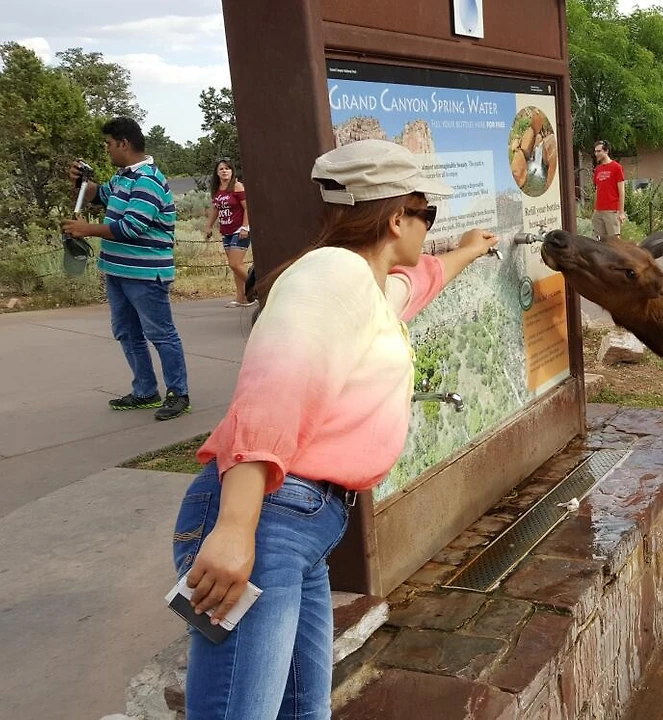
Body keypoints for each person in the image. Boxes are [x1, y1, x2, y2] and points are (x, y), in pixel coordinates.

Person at [174, 139, 497, 718]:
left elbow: (418, 283)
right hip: (267, 517)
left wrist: (470, 250)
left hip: (300, 525)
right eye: (428, 215)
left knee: (305, 710)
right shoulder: (333, 275)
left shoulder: (362, 285)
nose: (429, 229)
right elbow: (271, 394)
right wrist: (235, 529)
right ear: (397, 218)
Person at [61, 117, 191, 421]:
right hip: (119, 271)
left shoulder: (148, 180)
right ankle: (145, 391)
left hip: (145, 275)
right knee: (127, 332)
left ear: (124, 143)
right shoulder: (124, 177)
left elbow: (131, 227)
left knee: (161, 334)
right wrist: (80, 183)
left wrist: (87, 229)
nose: (107, 150)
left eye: (109, 144)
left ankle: (179, 394)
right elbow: (99, 195)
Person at [204, 158, 254, 307]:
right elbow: (215, 209)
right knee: (234, 268)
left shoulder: (237, 186)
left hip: (240, 230)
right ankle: (241, 298)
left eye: (227, 168)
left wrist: (245, 227)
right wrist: (208, 226)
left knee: (235, 263)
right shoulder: (217, 189)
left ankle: (259, 288)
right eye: (221, 169)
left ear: (232, 171)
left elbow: (247, 208)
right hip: (226, 231)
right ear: (217, 172)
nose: (224, 171)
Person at [591, 140, 626, 241]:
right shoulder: (598, 169)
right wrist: (595, 209)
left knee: (614, 241)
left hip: (611, 210)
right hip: (599, 211)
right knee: (599, 241)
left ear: (606, 151)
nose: (596, 154)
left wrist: (621, 212)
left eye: (599, 151)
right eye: (595, 151)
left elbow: (621, 191)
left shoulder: (616, 167)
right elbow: (597, 189)